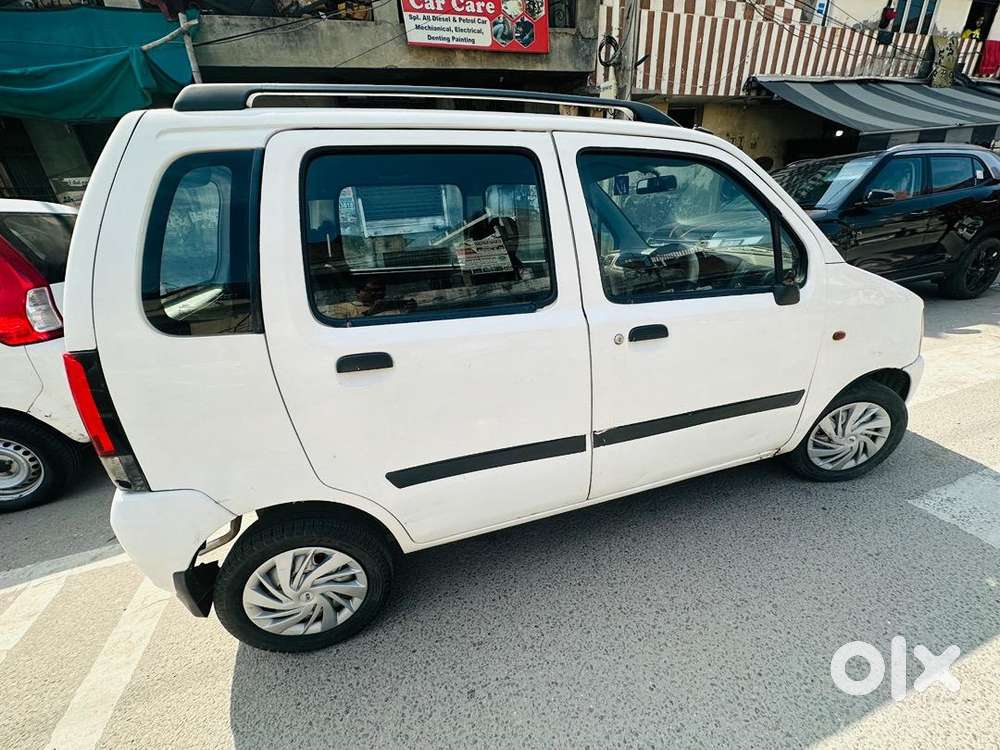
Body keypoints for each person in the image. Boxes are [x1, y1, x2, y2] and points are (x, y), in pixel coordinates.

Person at [327, 278, 415, 320]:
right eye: (372, 290)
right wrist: (369, 313)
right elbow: (340, 327)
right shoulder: (343, 307)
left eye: (382, 290)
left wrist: (408, 309)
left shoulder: (389, 305)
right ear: (359, 291)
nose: (378, 293)